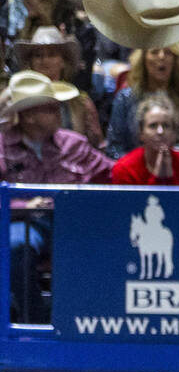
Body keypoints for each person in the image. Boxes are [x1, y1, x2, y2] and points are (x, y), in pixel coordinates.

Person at [0, 71, 112, 324]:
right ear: (28, 116)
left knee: (99, 242)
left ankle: (83, 322)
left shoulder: (75, 144)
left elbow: (113, 174)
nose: (60, 113)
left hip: (73, 221)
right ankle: (34, 320)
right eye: (51, 108)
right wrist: (22, 205)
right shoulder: (2, 148)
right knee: (16, 245)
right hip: (25, 223)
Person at [11, 26, 101, 147]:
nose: (45, 60)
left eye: (52, 54)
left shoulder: (80, 101)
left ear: (63, 61)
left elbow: (96, 145)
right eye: (38, 55)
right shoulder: (19, 101)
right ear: (30, 62)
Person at [111, 96, 179, 185]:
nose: (160, 132)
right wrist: (158, 178)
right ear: (141, 133)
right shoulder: (124, 168)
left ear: (174, 133)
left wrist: (168, 179)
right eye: (153, 126)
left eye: (166, 126)